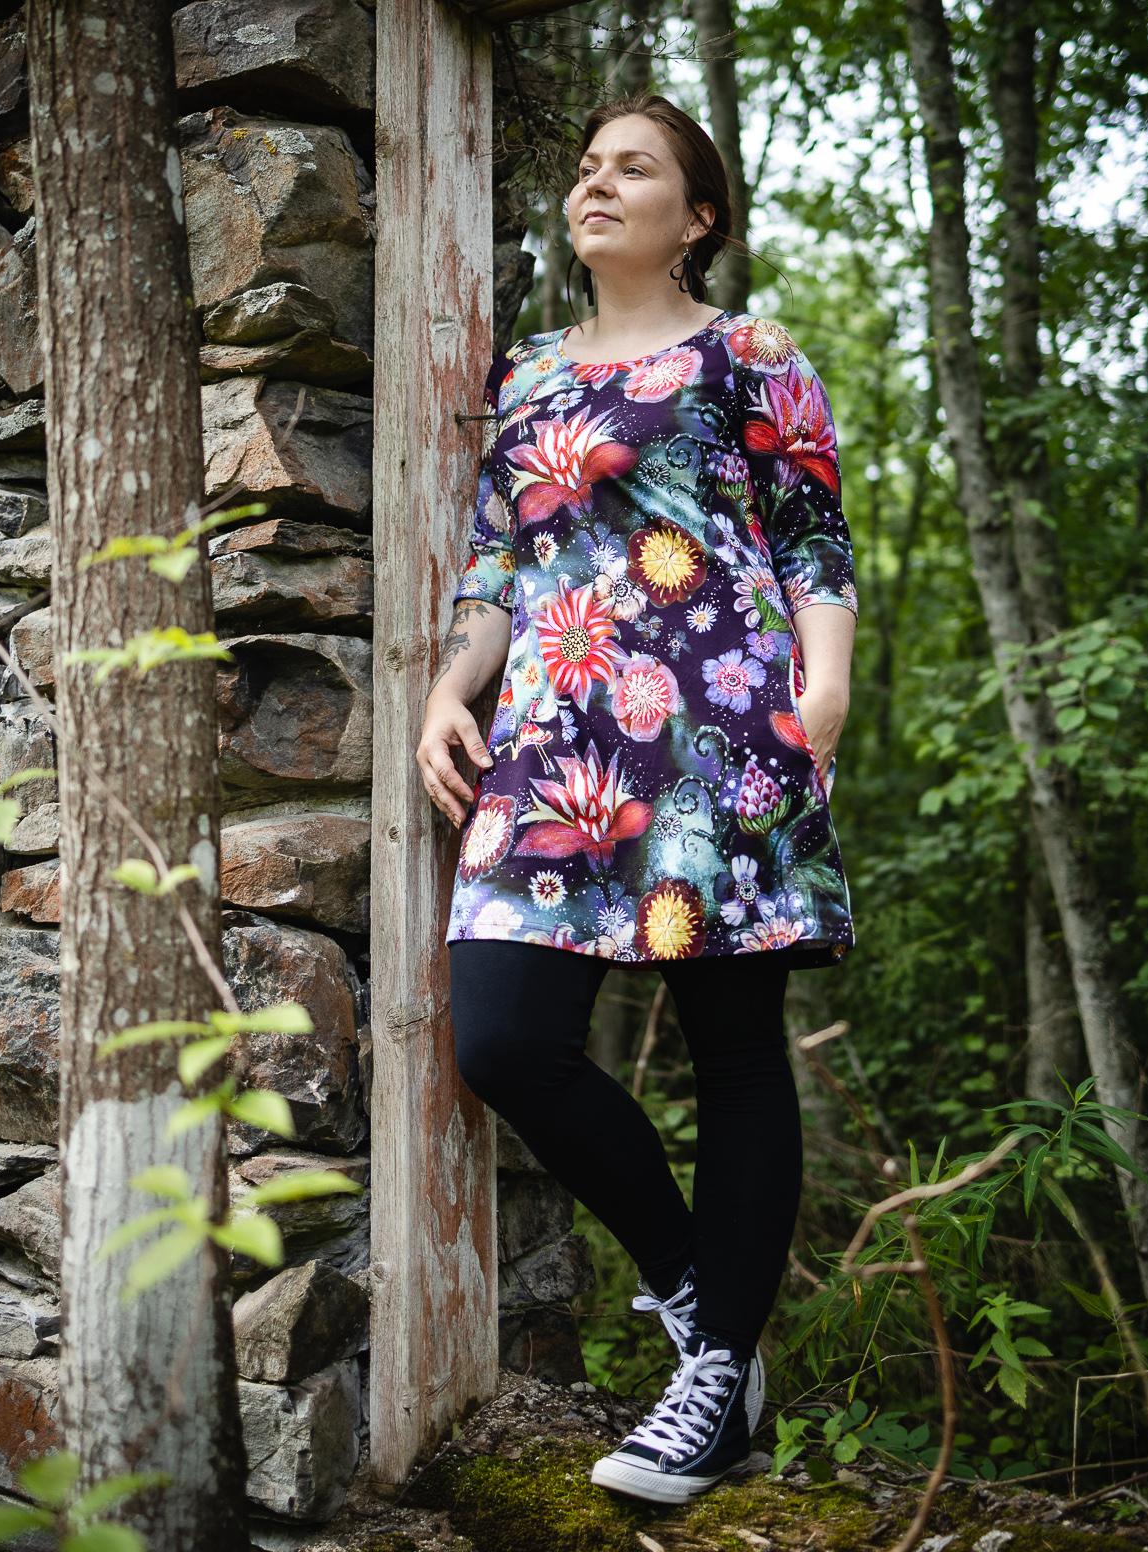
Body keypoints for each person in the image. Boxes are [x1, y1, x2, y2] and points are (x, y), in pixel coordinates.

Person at [416, 94, 857, 1505]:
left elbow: (814, 539)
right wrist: (450, 688)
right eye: (590, 166)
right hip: (552, 739)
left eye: (637, 168)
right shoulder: (527, 373)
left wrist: (823, 696)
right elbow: (499, 561)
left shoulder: (750, 355)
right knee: (503, 1039)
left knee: (734, 1053)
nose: (598, 184)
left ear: (698, 215)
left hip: (721, 724)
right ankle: (698, 1298)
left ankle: (715, 1380)